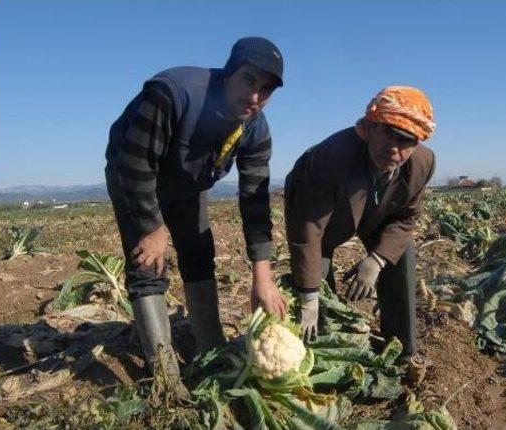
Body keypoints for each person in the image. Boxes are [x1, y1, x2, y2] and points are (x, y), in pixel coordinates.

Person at [105, 37, 287, 395]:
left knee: (199, 252)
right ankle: (164, 375)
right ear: (229, 73)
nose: (255, 96)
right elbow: (135, 162)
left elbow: (255, 200)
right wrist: (151, 226)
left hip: (188, 184)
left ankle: (210, 347)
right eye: (249, 80)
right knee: (147, 262)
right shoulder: (173, 94)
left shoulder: (255, 129)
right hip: (136, 175)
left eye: (266, 90)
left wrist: (262, 275)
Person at [284, 86, 436, 359]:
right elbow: (309, 228)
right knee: (318, 284)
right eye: (388, 134)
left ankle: (400, 352)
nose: (394, 149)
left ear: (416, 144)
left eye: (406, 141)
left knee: (402, 257)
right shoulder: (331, 157)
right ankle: (320, 349)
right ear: (369, 128)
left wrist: (376, 260)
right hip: (324, 216)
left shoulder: (422, 164)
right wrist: (308, 296)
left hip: (378, 213)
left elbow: (407, 217)